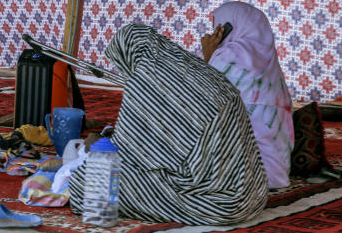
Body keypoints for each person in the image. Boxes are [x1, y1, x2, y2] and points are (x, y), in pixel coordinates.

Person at [69, 23, 268, 225]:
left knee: (84, 183)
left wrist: (97, 148)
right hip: (252, 194)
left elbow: (131, 155)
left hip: (218, 203)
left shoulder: (146, 81)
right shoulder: (202, 72)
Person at [202, 1, 294, 190]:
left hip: (243, 177)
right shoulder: (270, 66)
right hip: (277, 173)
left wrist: (209, 56)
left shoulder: (229, 56)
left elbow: (203, 96)